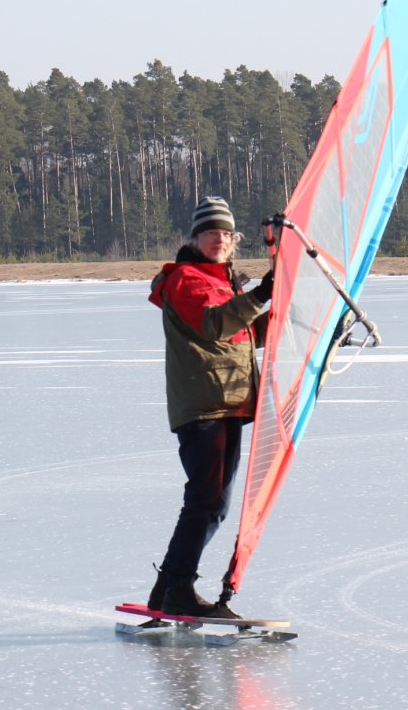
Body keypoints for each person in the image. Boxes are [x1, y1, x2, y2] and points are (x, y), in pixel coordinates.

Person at [145, 196, 273, 618]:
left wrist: (317, 325)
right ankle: (179, 589)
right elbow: (216, 324)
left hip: (228, 404)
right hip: (204, 407)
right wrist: (262, 293)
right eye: (210, 233)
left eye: (226, 234)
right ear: (196, 238)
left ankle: (166, 589)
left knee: (212, 502)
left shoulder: (227, 283)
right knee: (205, 500)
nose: (219, 240)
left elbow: (253, 332)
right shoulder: (186, 279)